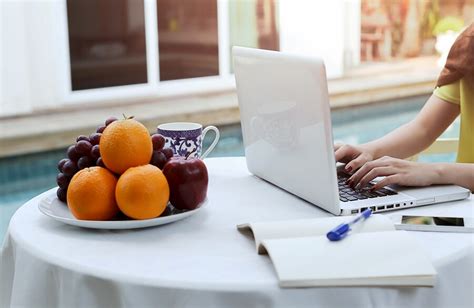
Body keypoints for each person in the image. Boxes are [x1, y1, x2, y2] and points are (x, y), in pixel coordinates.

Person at [335, 23, 474, 192]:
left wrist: (434, 172)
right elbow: (423, 130)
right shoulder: (469, 45)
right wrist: (368, 151)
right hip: (462, 208)